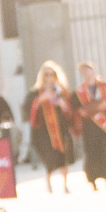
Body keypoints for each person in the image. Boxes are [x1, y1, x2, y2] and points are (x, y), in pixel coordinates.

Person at [29, 60, 77, 193]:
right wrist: (40, 100)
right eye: (46, 75)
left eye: (52, 75)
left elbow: (70, 110)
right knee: (50, 157)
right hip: (44, 131)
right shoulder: (37, 92)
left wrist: (63, 105)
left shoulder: (62, 91)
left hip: (61, 129)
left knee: (63, 156)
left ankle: (65, 185)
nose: (49, 78)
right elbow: (29, 110)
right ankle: (48, 181)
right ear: (42, 77)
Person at [76, 59, 106, 190]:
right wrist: (82, 112)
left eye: (88, 69)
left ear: (93, 70)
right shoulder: (79, 91)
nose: (87, 72)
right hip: (89, 128)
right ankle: (93, 182)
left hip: (104, 127)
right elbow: (75, 109)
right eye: (84, 70)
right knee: (91, 153)